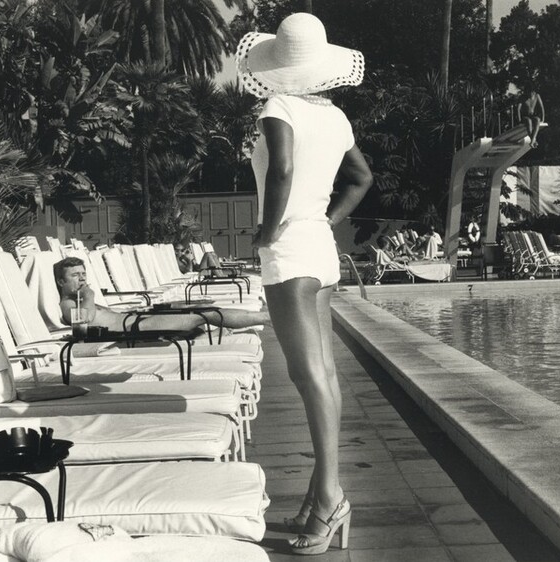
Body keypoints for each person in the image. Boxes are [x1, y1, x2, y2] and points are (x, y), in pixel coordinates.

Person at [237, 12, 372, 555]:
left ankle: (332, 496)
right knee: (324, 374)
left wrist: (268, 234)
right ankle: (322, 492)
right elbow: (362, 179)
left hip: (291, 247)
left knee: (307, 374)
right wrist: (326, 219)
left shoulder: (277, 108)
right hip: (320, 243)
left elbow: (283, 172)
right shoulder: (335, 117)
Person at [54, 257, 269, 331]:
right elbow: (83, 323)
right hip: (135, 328)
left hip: (137, 319)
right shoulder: (67, 305)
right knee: (206, 315)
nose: (82, 278)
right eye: (75, 275)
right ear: (61, 282)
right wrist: (89, 294)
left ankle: (266, 319)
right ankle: (268, 318)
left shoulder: (80, 299)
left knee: (201, 311)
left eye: (83, 274)